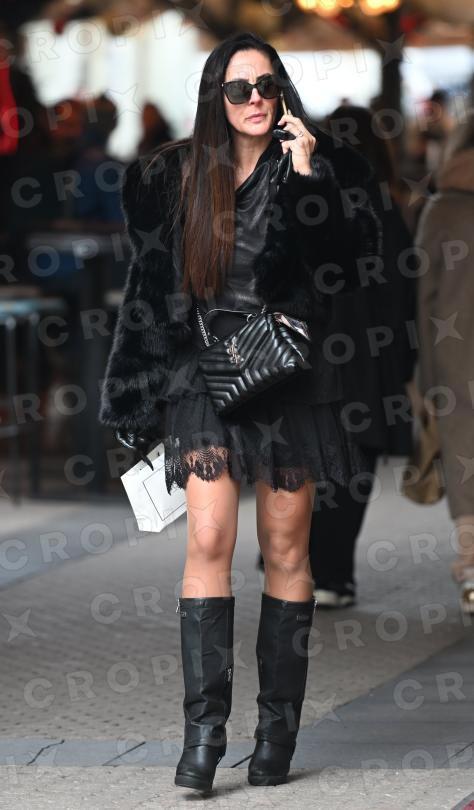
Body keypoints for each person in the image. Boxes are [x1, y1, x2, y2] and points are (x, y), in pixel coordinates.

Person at [99, 31, 382, 794]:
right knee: (209, 537)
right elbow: (149, 289)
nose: (255, 99)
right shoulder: (174, 176)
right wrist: (133, 391)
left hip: (290, 379)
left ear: (282, 91)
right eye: (239, 88)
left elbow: (351, 265)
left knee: (287, 549)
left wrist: (309, 175)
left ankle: (276, 735)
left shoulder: (317, 168)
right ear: (214, 98)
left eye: (267, 85)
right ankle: (203, 737)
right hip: (204, 380)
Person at [415, 110, 474, 614]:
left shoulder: (441, 209)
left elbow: (423, 295)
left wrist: (425, 376)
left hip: (456, 357)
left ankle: (473, 570)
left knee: (463, 459)